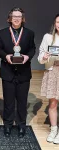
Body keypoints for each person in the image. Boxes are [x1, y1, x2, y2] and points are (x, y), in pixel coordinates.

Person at [0, 7, 35, 138]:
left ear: (23, 19)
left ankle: (21, 125)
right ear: (10, 18)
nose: (17, 18)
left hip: (24, 72)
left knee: (22, 101)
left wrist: (27, 57)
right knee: (8, 101)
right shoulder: (2, 33)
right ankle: (7, 125)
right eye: (14, 16)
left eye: (19, 16)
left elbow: (32, 49)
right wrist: (5, 56)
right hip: (8, 71)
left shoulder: (30, 33)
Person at [38, 14, 59, 144]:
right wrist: (44, 57)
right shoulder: (48, 37)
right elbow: (40, 56)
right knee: (53, 103)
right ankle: (54, 129)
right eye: (57, 22)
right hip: (52, 71)